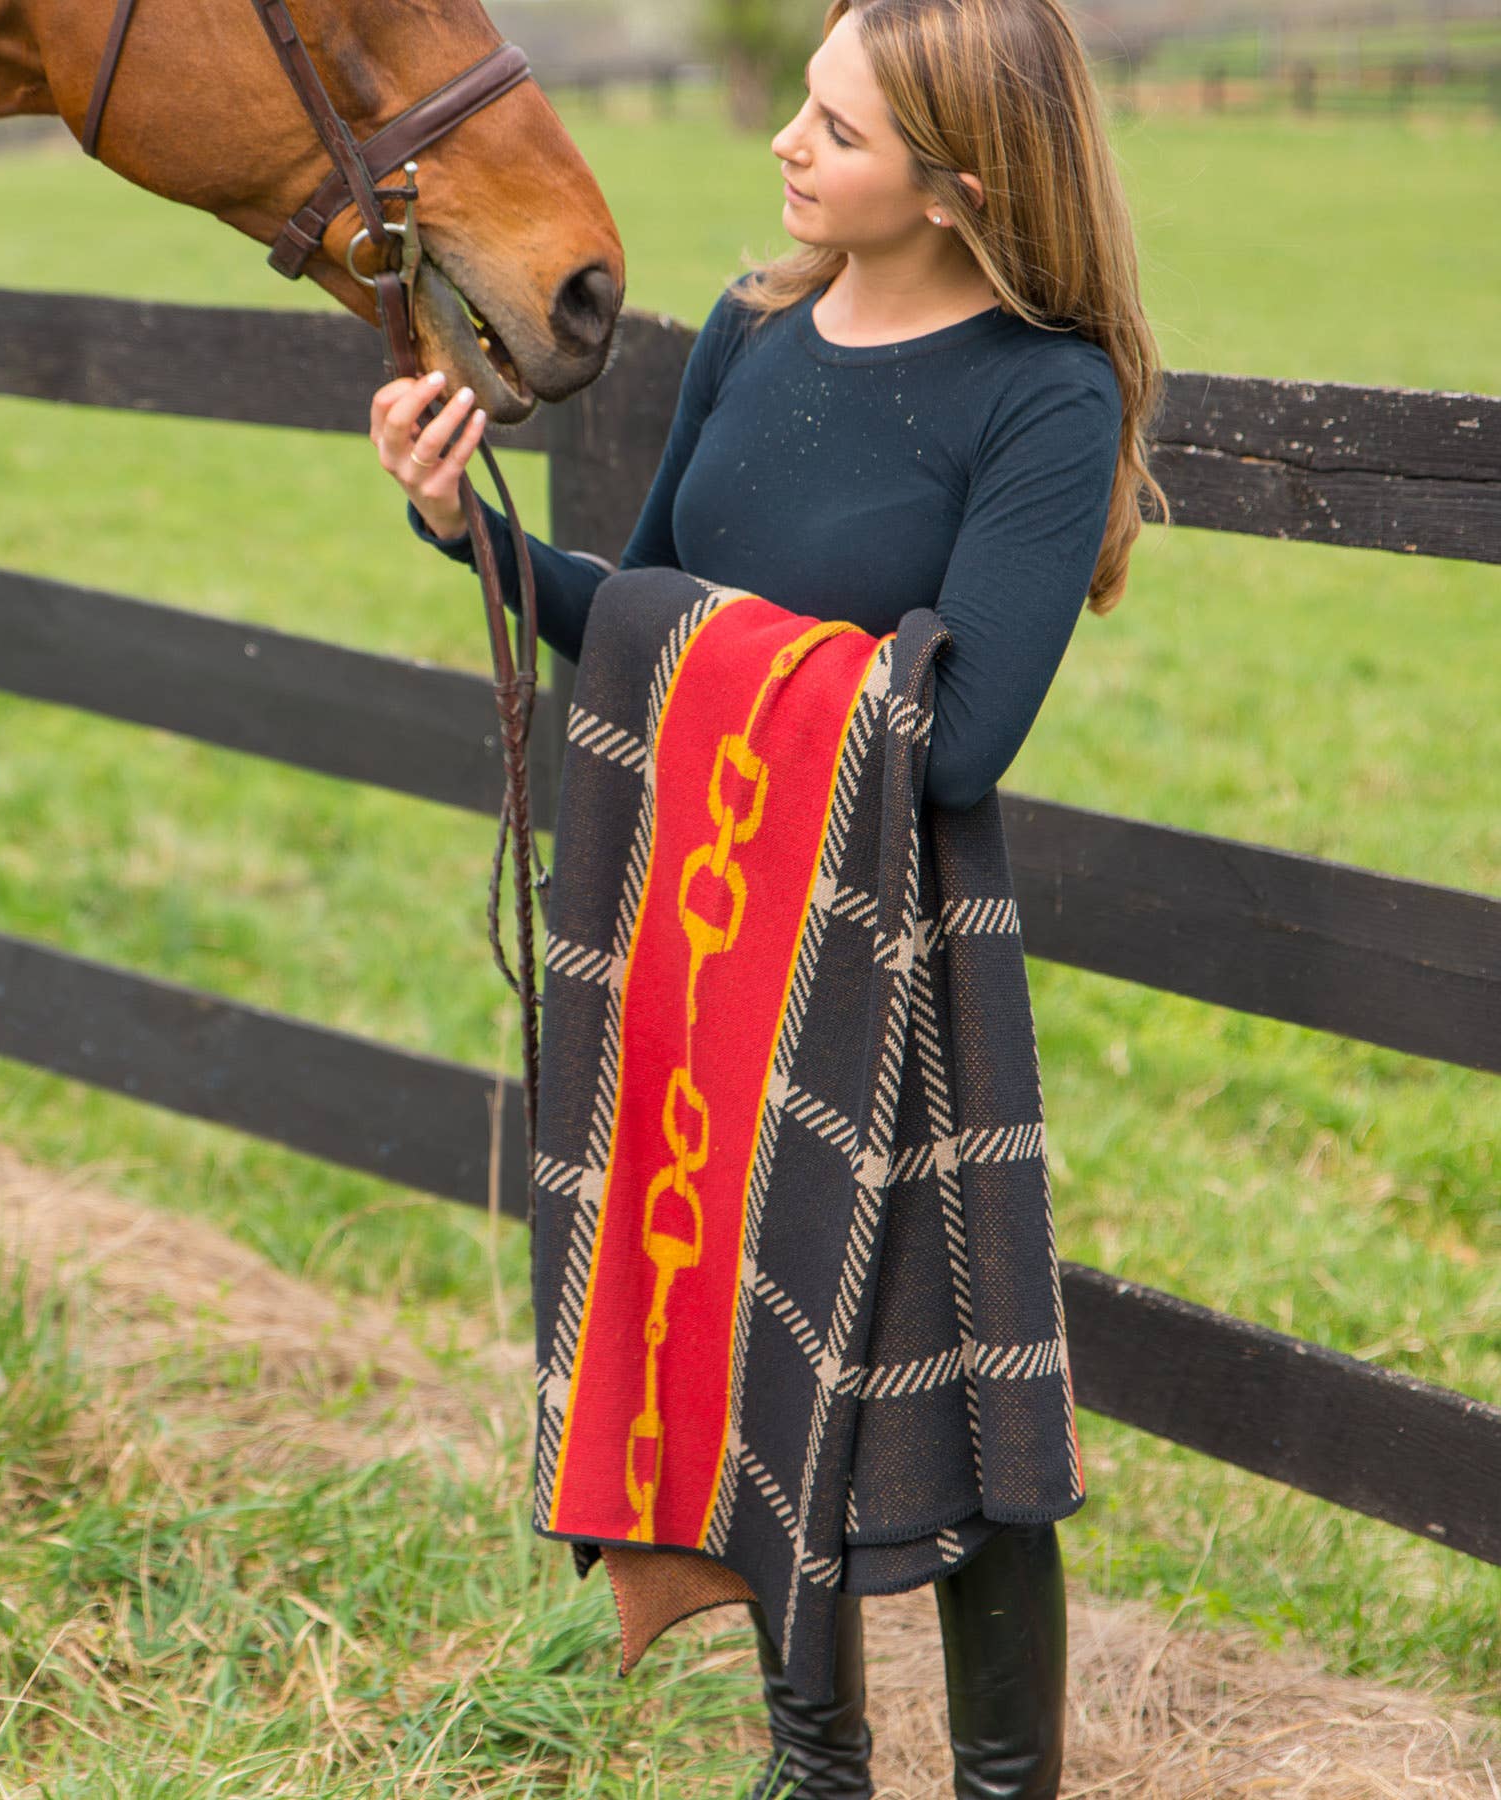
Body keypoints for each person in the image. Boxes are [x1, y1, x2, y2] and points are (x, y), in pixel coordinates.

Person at [369, 0, 1167, 1790]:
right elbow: (637, 615)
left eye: (840, 129)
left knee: (963, 1404)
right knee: (740, 1334)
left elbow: (959, 742)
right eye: (804, 103)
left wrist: (719, 654)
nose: (789, 144)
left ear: (960, 187)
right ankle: (815, 1769)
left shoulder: (1046, 394)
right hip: (711, 924)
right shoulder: (753, 330)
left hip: (899, 944)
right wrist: (470, 528)